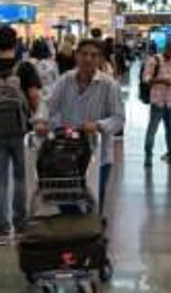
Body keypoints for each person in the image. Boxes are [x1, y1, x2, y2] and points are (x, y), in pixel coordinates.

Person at [34, 39, 124, 212]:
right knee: (65, 198)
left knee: (94, 201)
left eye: (94, 55)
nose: (88, 59)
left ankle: (92, 222)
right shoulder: (65, 80)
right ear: (76, 56)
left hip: (98, 155)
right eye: (84, 54)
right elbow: (47, 103)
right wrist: (40, 120)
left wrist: (98, 125)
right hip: (66, 153)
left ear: (100, 59)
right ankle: (74, 223)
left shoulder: (109, 85)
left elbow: (119, 118)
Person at [0, 26, 42, 245]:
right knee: (21, 178)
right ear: (16, 43)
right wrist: (34, 117)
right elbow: (34, 96)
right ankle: (20, 227)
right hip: (22, 131)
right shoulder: (25, 68)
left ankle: (3, 231)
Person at [142, 39, 171, 168]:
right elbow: (146, 79)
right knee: (152, 129)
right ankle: (148, 156)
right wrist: (161, 80)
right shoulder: (154, 60)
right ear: (166, 48)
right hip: (157, 101)